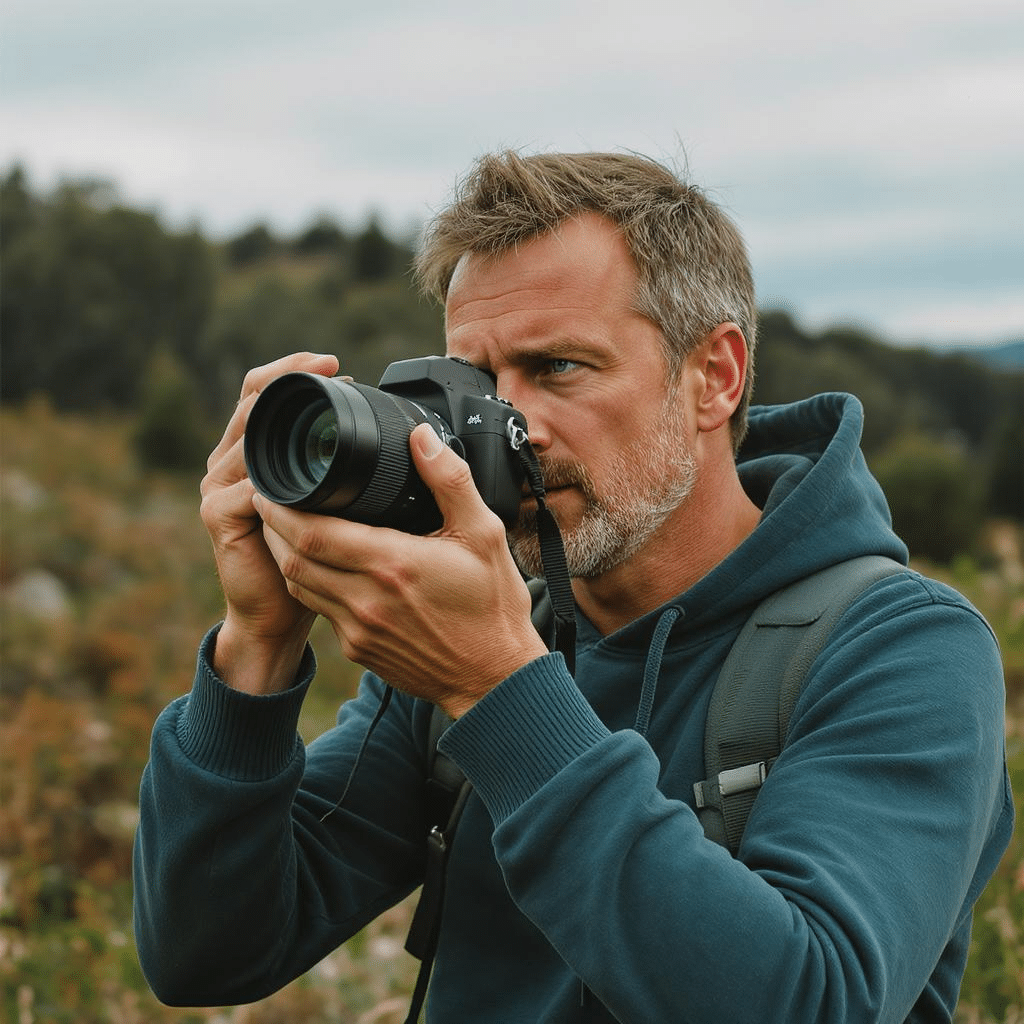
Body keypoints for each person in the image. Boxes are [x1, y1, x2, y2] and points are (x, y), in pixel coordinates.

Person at [133, 151, 1013, 1023]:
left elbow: (814, 1001)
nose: (514, 430)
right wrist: (258, 644)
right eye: (478, 384)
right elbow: (207, 951)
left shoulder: (902, 649)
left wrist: (499, 690)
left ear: (715, 376)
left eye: (558, 368)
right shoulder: (477, 636)